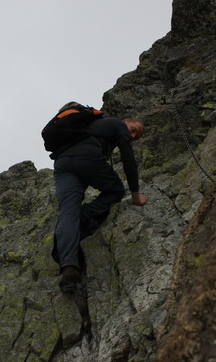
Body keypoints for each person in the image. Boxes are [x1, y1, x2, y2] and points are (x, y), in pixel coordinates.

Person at [52, 116, 148, 292]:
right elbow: (128, 160)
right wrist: (135, 197)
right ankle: (86, 214)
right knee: (116, 190)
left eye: (137, 137)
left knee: (67, 213)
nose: (132, 136)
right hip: (87, 156)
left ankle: (69, 270)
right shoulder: (118, 125)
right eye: (133, 130)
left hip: (63, 163)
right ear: (126, 121)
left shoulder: (94, 128)